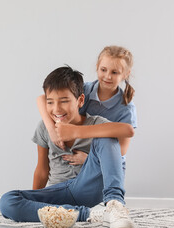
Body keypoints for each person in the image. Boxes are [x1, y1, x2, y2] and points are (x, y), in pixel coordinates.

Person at [0, 66, 136, 228]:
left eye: (64, 101)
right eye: (50, 102)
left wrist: (76, 131)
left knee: (107, 136)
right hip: (60, 191)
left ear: (80, 101)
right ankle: (90, 214)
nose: (56, 109)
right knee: (8, 201)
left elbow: (128, 130)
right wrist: (34, 203)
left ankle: (115, 204)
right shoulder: (44, 128)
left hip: (86, 187)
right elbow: (42, 170)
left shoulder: (95, 123)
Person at [36, 46, 136, 185]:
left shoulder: (125, 108)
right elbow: (43, 98)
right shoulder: (86, 89)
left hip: (106, 162)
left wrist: (89, 157)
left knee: (105, 141)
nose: (107, 76)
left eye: (114, 72)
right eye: (103, 70)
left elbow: (122, 149)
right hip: (76, 157)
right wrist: (52, 130)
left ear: (125, 74)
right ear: (97, 67)